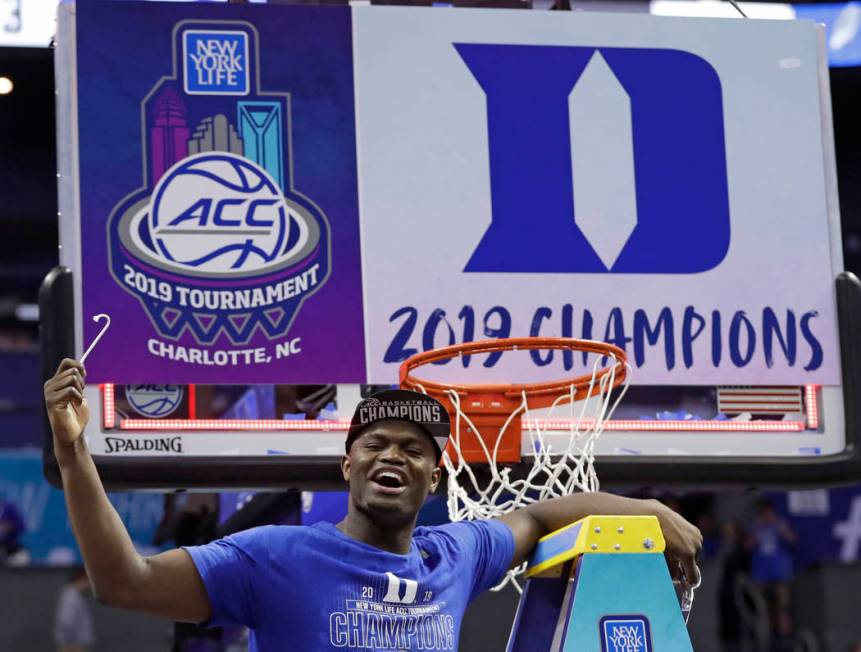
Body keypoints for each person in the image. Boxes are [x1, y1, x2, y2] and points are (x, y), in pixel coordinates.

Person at [44, 358, 702, 652]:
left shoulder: (456, 554)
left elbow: (536, 516)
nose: (393, 456)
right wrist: (76, 455)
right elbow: (123, 581)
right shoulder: (275, 556)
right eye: (377, 444)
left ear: (434, 478)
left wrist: (644, 513)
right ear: (347, 464)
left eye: (414, 450)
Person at [54, 567, 95, 652]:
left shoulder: (74, 595)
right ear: (83, 579)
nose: (90, 585)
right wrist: (71, 645)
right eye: (89, 581)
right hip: (73, 646)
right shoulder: (71, 597)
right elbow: (66, 620)